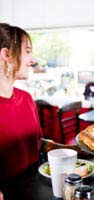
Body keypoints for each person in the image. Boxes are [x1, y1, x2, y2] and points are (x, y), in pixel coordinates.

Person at [0, 23, 42, 191]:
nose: (32, 60)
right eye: (27, 52)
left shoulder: (26, 99)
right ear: (7, 55)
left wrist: (73, 149)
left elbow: (37, 143)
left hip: (36, 187)